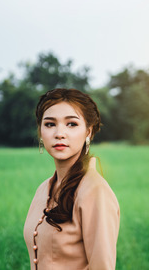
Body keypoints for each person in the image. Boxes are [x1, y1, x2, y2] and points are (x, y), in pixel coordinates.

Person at [23, 88, 120, 270]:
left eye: (71, 124)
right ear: (40, 132)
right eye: (50, 124)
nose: (59, 133)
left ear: (88, 132)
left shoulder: (94, 191)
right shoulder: (43, 189)